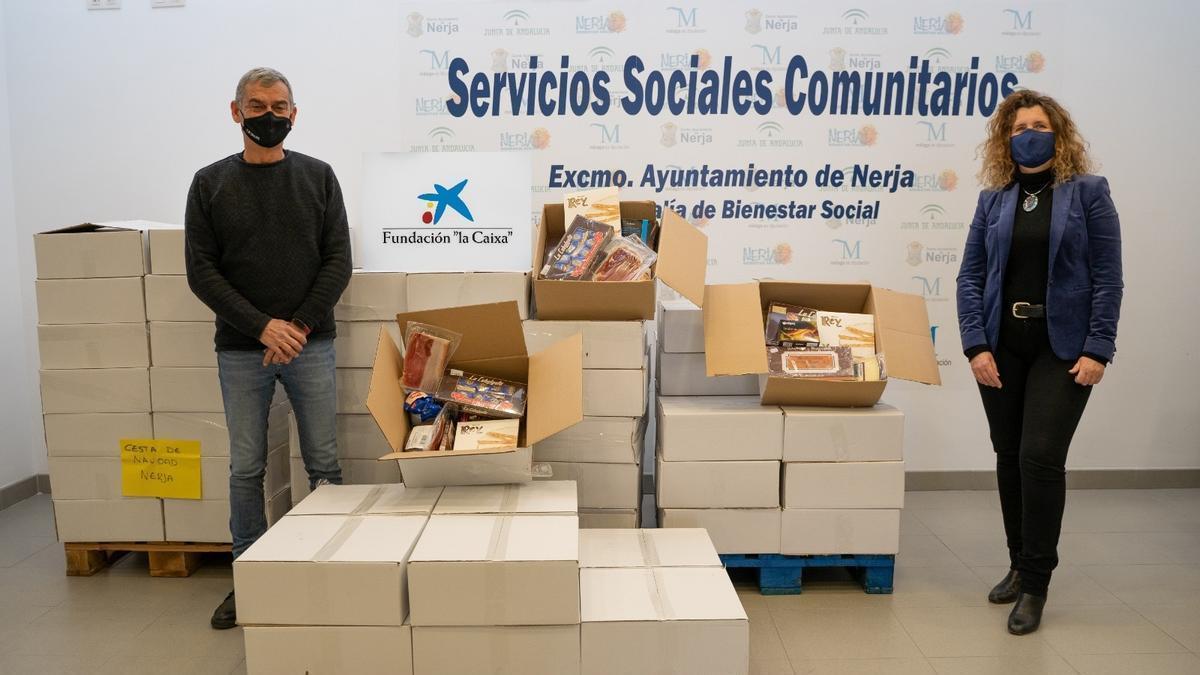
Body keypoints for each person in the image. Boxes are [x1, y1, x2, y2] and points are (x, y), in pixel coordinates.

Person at [185, 67, 352, 630]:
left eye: (279, 107)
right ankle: (247, 579)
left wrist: (297, 326)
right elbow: (202, 272)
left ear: (294, 114)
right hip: (241, 349)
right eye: (256, 106)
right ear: (235, 112)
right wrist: (262, 327)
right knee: (246, 468)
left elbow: (338, 261)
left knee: (324, 463)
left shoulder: (318, 177)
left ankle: (334, 571)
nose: (269, 116)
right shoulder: (209, 184)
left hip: (311, 343)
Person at [957, 89, 1123, 635]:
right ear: (1005, 139)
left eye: (1039, 126)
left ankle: (1035, 584)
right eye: (1018, 127)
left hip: (1064, 347)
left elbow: (1108, 277)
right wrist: (976, 345)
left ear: (1059, 134)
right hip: (1002, 345)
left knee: (1040, 457)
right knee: (1009, 456)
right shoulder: (994, 199)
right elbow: (970, 277)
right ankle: (1017, 562)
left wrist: (1098, 347)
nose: (1028, 134)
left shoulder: (1089, 193)